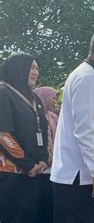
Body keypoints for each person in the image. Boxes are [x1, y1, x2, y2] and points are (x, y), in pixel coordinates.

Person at [50, 29, 94, 222]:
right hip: (78, 176)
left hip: (83, 174)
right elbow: (86, 130)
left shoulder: (93, 77)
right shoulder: (86, 78)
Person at [0, 54, 49, 222]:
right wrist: (28, 163)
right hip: (11, 174)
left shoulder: (34, 97)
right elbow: (4, 134)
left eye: (37, 68)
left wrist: (43, 158)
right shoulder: (3, 93)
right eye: (31, 68)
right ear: (18, 69)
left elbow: (44, 128)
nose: (36, 72)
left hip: (35, 172)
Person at [34, 86, 60, 223]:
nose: (55, 101)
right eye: (52, 98)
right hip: (42, 168)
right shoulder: (37, 118)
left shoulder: (54, 117)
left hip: (55, 168)